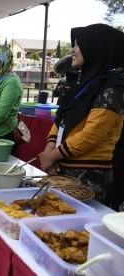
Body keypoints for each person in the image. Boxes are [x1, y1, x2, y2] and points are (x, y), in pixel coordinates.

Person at [39, 23, 124, 206]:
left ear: (96, 48)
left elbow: (92, 134)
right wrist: (49, 149)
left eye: (78, 45)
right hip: (62, 168)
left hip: (89, 177)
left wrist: (53, 156)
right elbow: (60, 118)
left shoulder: (113, 88)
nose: (73, 49)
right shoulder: (81, 83)